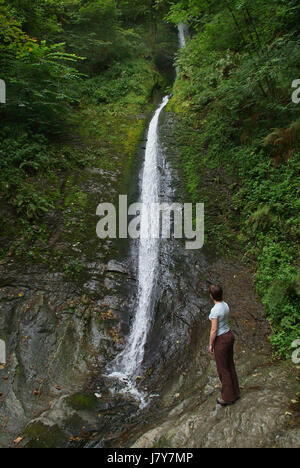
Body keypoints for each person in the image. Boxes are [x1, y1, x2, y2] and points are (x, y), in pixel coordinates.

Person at [209, 285, 240, 406]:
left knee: (223, 369)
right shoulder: (225, 305)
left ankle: (227, 397)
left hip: (221, 339)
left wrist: (211, 344)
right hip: (229, 335)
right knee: (229, 364)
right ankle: (235, 391)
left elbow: (214, 330)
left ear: (211, 296)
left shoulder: (215, 310)